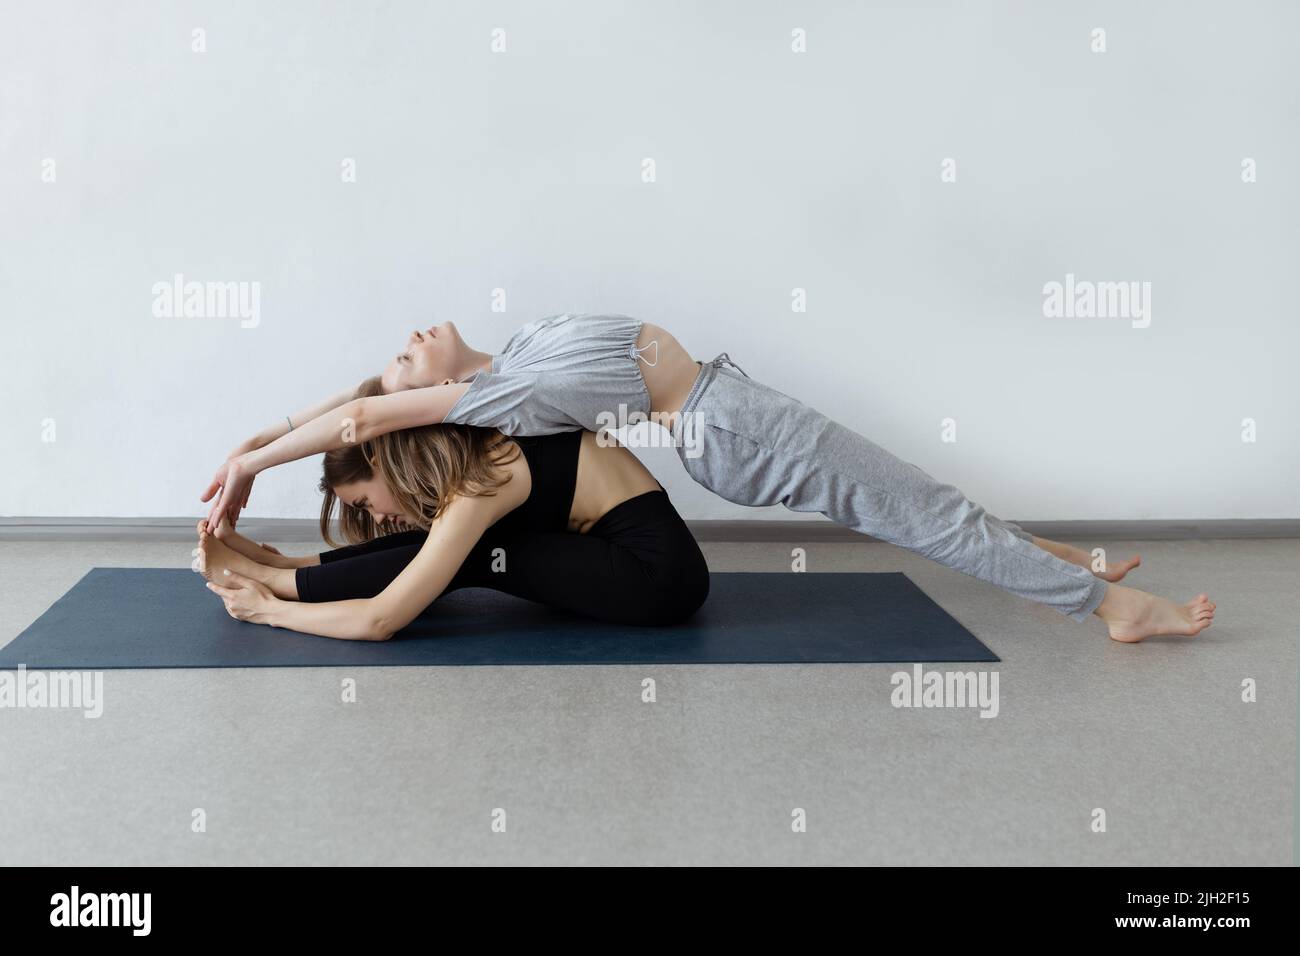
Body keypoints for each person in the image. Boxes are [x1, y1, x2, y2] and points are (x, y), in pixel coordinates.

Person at [201, 314, 1214, 642]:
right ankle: (1109, 604)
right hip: (735, 430)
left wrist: (260, 436)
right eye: (404, 360)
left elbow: (340, 407)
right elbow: (362, 415)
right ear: (424, 400)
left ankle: (1077, 566)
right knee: (922, 511)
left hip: (735, 409)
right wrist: (249, 464)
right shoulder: (492, 406)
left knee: (925, 503)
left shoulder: (504, 365)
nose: (412, 341)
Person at [197, 403, 709, 639]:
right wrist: (254, 449)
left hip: (659, 578)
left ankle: (278, 581)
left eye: (363, 502)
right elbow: (356, 406)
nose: (374, 516)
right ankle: (287, 566)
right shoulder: (480, 429)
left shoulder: (485, 478)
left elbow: (379, 620)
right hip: (630, 555)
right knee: (455, 542)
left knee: (475, 554)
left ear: (380, 461)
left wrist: (268, 610)